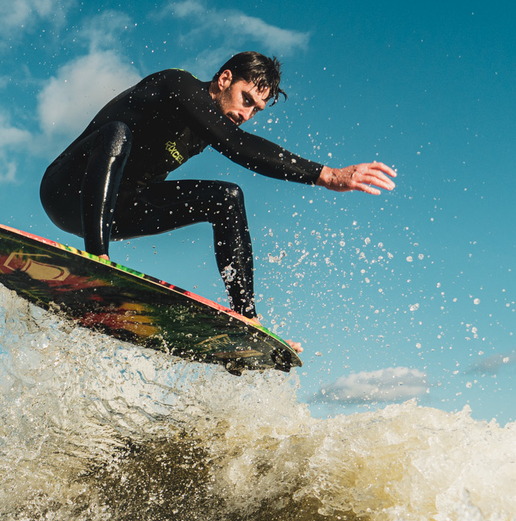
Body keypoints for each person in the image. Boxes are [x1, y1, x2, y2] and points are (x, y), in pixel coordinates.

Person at [39, 52, 396, 351]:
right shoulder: (176, 85)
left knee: (227, 198)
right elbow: (237, 145)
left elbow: (233, 140)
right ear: (224, 79)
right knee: (118, 134)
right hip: (66, 191)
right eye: (246, 99)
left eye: (257, 110)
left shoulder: (213, 124)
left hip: (120, 210)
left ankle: (246, 318)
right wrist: (327, 175)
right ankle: (97, 264)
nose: (247, 115)